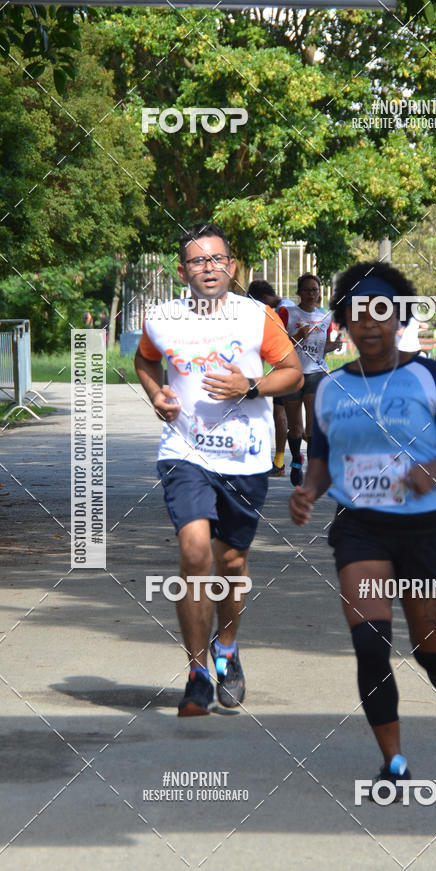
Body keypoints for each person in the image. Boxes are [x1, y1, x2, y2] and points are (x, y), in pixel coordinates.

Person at [289, 261, 436, 797]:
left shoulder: (429, 377)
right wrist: (309, 490)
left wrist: (434, 470)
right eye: (357, 314)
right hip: (361, 530)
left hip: (427, 530)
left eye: (381, 312)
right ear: (344, 324)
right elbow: (324, 459)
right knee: (371, 644)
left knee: (432, 652)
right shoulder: (328, 388)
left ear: (398, 319)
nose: (370, 324)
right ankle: (393, 760)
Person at [135, 223, 303, 716]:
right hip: (184, 452)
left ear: (231, 266)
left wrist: (250, 386)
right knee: (193, 551)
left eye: (215, 259)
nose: (207, 268)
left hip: (245, 456)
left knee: (231, 564)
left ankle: (226, 647)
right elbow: (146, 362)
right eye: (196, 261)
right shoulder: (162, 317)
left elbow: (292, 372)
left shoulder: (258, 317)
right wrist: (157, 395)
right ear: (183, 270)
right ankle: (197, 672)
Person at [279, 273, 343, 486]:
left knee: (312, 426)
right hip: (292, 373)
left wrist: (332, 347)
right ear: (299, 293)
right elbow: (277, 345)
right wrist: (297, 336)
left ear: (319, 293)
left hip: (316, 372)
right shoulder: (287, 313)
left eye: (314, 290)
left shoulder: (325, 317)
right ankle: (297, 460)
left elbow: (320, 349)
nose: (310, 294)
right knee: (295, 428)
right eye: (306, 290)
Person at [247, 279, 296, 476]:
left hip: (288, 369)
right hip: (295, 368)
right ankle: (280, 462)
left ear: (263, 299)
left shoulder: (280, 312)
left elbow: (280, 342)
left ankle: (279, 462)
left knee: (282, 416)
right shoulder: (289, 306)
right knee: (295, 422)